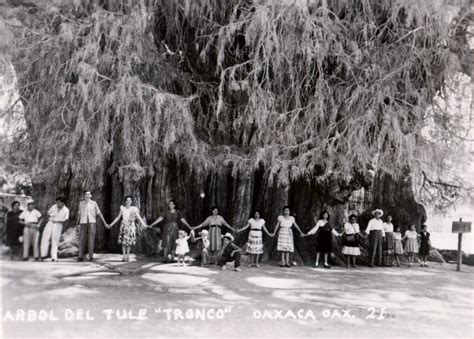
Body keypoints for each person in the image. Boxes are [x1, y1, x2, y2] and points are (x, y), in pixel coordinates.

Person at [108, 196, 147, 262]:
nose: (128, 201)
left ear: (131, 201)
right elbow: (118, 217)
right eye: (127, 200)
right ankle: (123, 256)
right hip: (124, 226)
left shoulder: (134, 209)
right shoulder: (122, 208)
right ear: (125, 201)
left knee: (128, 243)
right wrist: (111, 224)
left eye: (129, 200)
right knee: (123, 242)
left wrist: (144, 224)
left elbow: (139, 217)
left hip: (130, 226)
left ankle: (128, 256)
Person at [76, 190, 107, 262]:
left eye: (88, 194)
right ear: (84, 196)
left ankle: (91, 256)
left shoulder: (94, 203)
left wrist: (105, 223)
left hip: (92, 222)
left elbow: (99, 213)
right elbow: (79, 214)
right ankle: (80, 256)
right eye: (86, 194)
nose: (87, 195)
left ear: (91, 196)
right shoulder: (81, 203)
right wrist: (77, 224)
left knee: (91, 239)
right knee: (82, 239)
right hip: (83, 222)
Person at [40, 197, 70, 262]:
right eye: (57, 202)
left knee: (55, 240)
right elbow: (48, 213)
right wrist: (51, 216)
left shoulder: (66, 210)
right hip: (50, 223)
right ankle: (43, 255)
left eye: (59, 202)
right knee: (45, 238)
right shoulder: (54, 206)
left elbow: (65, 219)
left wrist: (58, 220)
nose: (57, 203)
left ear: (63, 203)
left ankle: (54, 257)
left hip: (58, 225)